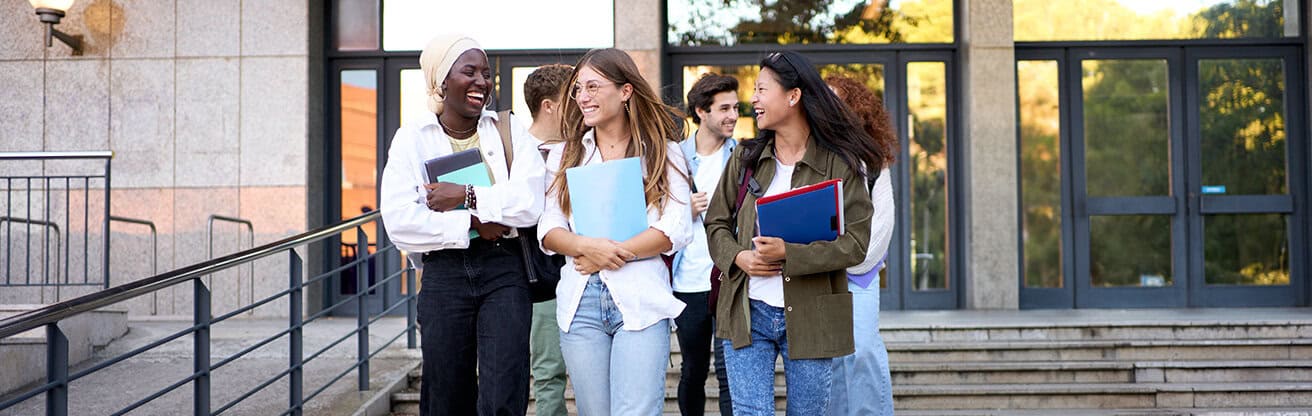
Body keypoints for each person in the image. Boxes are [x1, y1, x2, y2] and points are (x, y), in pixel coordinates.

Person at [704, 50, 886, 416]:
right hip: (746, 311)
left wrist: (790, 254)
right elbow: (716, 224)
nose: (752, 99)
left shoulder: (841, 162)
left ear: (793, 95)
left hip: (812, 314)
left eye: (761, 89)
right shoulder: (745, 158)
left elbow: (856, 245)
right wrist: (740, 257)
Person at [379, 34, 546, 416]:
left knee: (505, 390)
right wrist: (473, 222)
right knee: (445, 393)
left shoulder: (509, 130)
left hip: (504, 269)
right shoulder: (411, 139)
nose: (482, 82)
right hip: (444, 273)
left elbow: (530, 204)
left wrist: (466, 196)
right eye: (468, 71)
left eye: (486, 74)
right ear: (441, 81)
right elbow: (401, 222)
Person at [537, 48, 693, 416]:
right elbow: (549, 228)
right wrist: (587, 247)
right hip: (580, 302)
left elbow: (675, 228)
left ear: (625, 91)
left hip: (640, 297)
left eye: (593, 86)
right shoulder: (565, 155)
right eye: (578, 89)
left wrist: (609, 254)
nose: (582, 97)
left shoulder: (663, 153)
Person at [824, 74, 898, 416]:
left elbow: (882, 223)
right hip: (820, 275)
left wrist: (849, 260)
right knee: (832, 361)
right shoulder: (812, 153)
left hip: (859, 274)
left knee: (863, 352)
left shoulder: (872, 158)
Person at [672, 72, 740, 416]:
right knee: (693, 371)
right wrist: (686, 210)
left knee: (731, 374)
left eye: (736, 107)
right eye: (724, 108)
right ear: (701, 110)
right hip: (688, 281)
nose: (733, 115)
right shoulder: (675, 157)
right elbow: (653, 212)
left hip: (730, 279)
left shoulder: (743, 157)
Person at [521, 63, 574, 416]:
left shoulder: (583, 149)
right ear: (549, 105)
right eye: (572, 98)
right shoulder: (513, 154)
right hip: (536, 282)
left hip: (585, 274)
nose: (583, 103)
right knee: (548, 375)